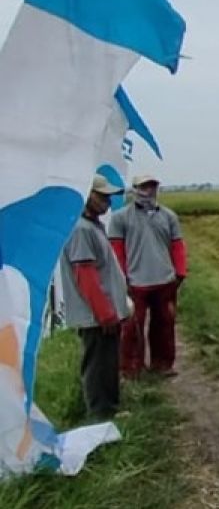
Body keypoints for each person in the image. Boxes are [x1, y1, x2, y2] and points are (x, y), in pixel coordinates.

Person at [58, 175, 130, 418]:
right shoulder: (80, 229)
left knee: (107, 362)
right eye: (102, 196)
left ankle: (110, 407)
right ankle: (101, 414)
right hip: (96, 316)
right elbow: (86, 276)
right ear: (86, 195)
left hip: (104, 313)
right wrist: (105, 313)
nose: (107, 201)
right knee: (98, 365)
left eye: (109, 196)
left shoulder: (93, 225)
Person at [109, 173, 187, 378]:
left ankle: (162, 365)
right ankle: (132, 369)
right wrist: (121, 277)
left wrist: (180, 272)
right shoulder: (120, 218)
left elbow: (177, 245)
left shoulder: (168, 216)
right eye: (144, 187)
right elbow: (116, 250)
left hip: (165, 279)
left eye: (152, 186)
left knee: (164, 325)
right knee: (132, 327)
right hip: (135, 282)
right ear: (134, 189)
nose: (149, 191)